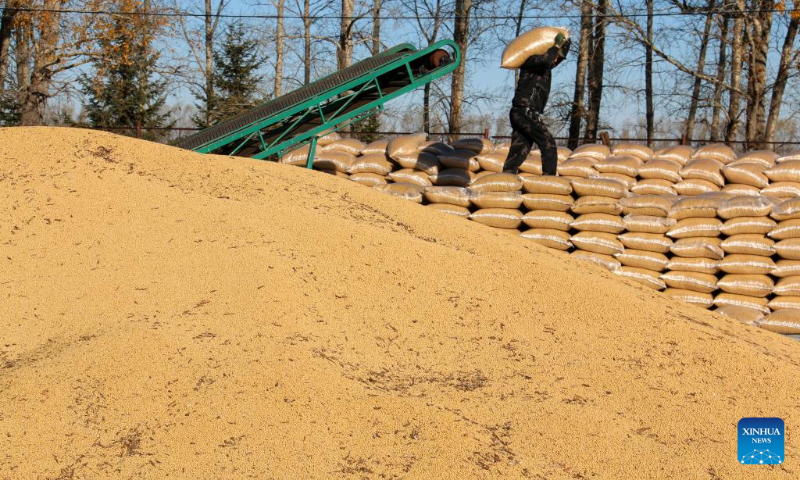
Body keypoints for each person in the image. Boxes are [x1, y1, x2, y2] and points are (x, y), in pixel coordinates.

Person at [503, 34, 570, 176]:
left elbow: (552, 61)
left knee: (520, 149)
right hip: (524, 110)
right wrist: (556, 46)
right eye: (557, 56)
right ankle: (549, 179)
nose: (556, 60)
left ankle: (506, 177)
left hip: (523, 112)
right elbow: (547, 60)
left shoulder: (545, 67)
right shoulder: (532, 61)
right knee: (548, 143)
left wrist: (565, 44)